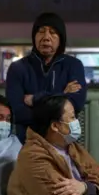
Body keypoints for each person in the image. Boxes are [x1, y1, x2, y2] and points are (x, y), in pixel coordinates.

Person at [5, 12, 88, 143]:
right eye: (41, 31)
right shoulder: (18, 68)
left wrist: (35, 99)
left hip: (63, 143)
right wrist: (62, 94)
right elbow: (17, 112)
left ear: (61, 38)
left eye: (53, 32)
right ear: (34, 36)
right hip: (27, 143)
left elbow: (75, 103)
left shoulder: (73, 65)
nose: (46, 37)